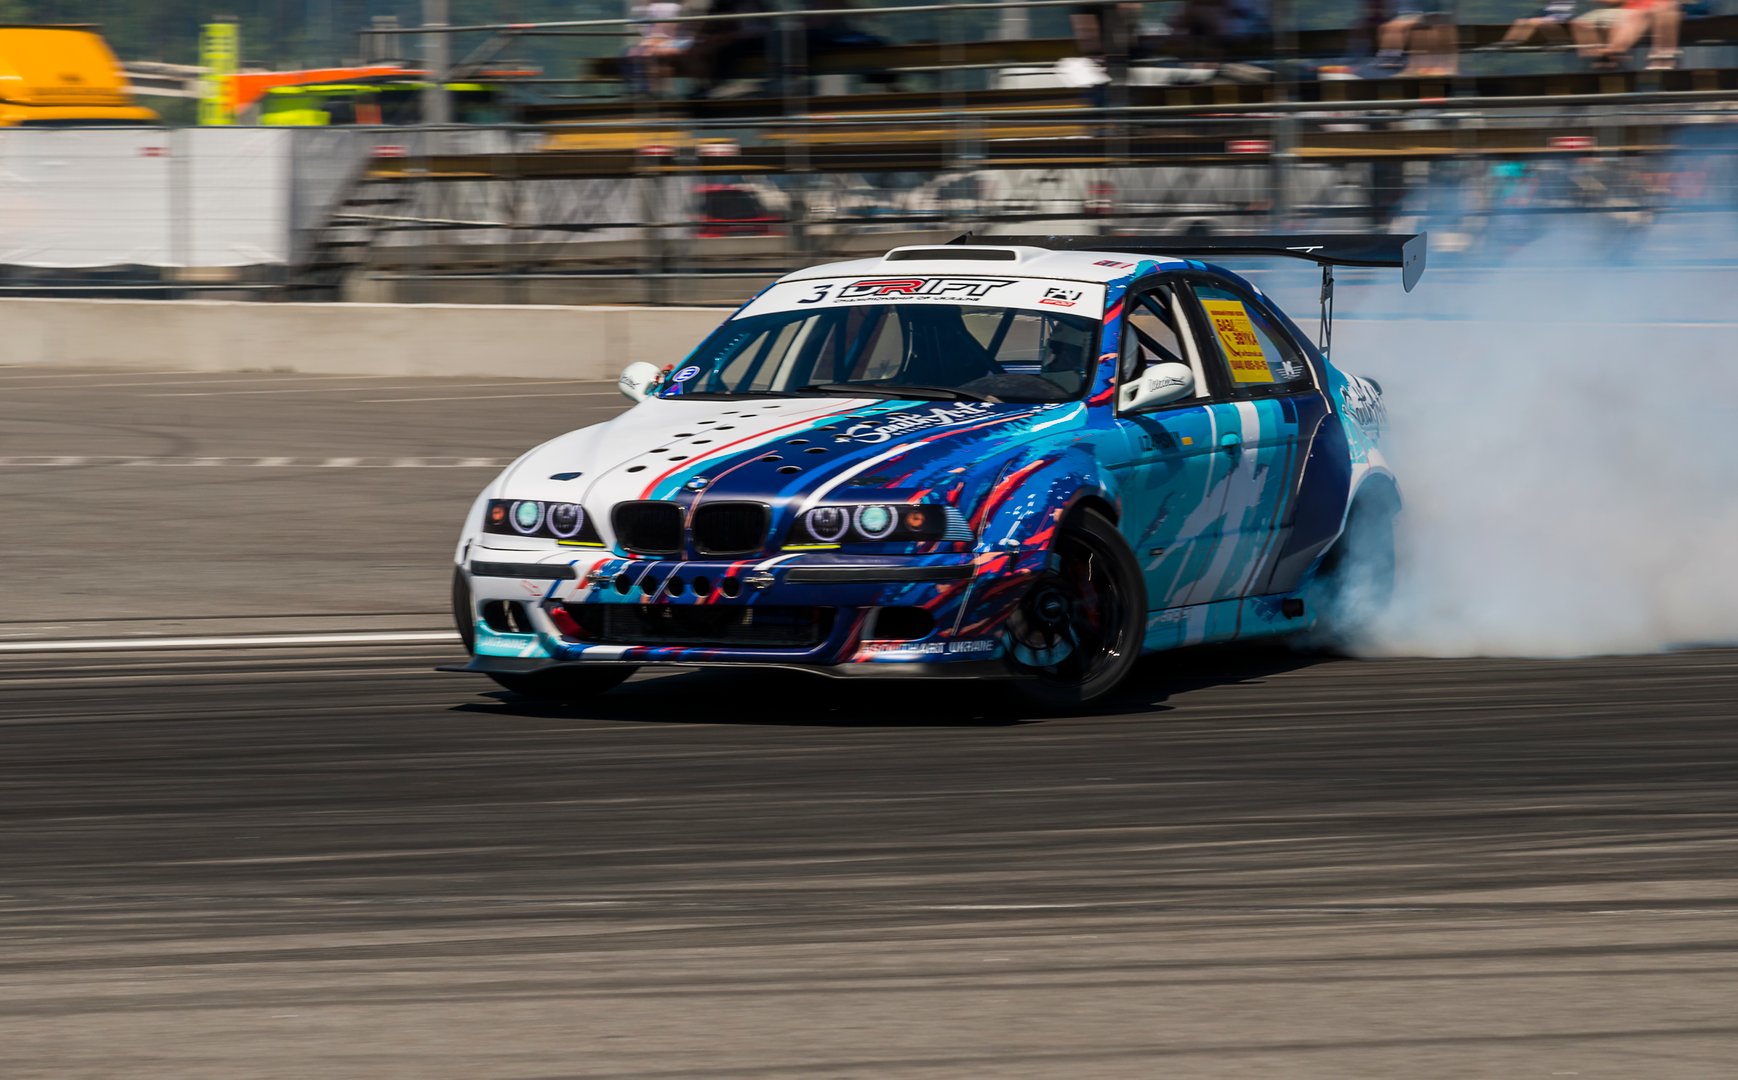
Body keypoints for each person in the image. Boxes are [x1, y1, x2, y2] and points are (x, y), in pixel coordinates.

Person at [624, 1, 691, 98]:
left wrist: (656, 43)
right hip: (659, 43)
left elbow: (676, 33)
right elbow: (648, 33)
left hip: (675, 42)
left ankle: (659, 92)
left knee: (653, 54)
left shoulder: (674, 8)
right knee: (631, 53)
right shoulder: (650, 10)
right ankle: (640, 90)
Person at [1375, 0, 1459, 76]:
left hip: (1429, 13)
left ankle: (1440, 65)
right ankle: (1391, 58)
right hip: (1415, 12)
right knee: (1392, 27)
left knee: (1431, 27)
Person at [1492, 0, 1578, 50]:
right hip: (1550, 14)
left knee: (1534, 21)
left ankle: (1518, 40)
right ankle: (1508, 41)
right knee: (1520, 21)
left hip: (1561, 15)